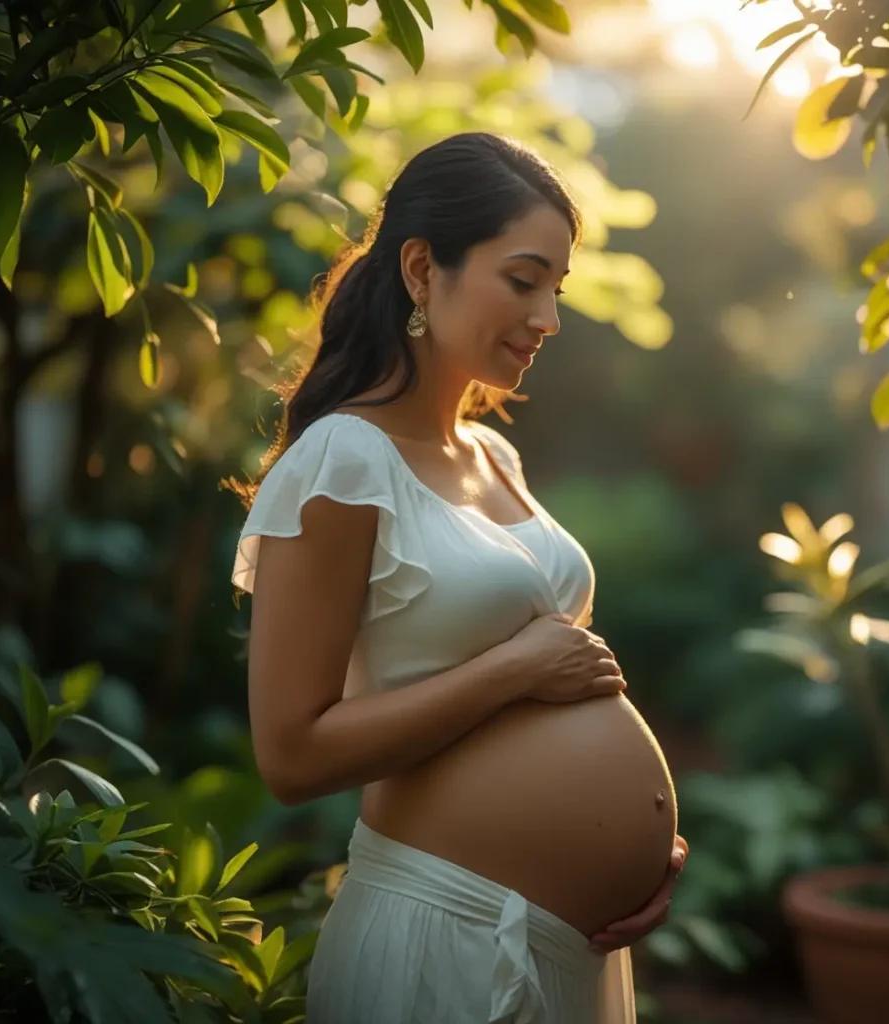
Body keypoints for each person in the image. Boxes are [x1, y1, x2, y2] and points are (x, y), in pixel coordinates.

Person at [231, 132, 689, 1024]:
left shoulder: (495, 454)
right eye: (523, 281)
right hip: (444, 940)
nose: (548, 318)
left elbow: (558, 677)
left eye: (556, 288)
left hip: (569, 950)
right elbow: (289, 755)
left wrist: (641, 850)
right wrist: (516, 673)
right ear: (420, 267)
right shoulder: (343, 463)